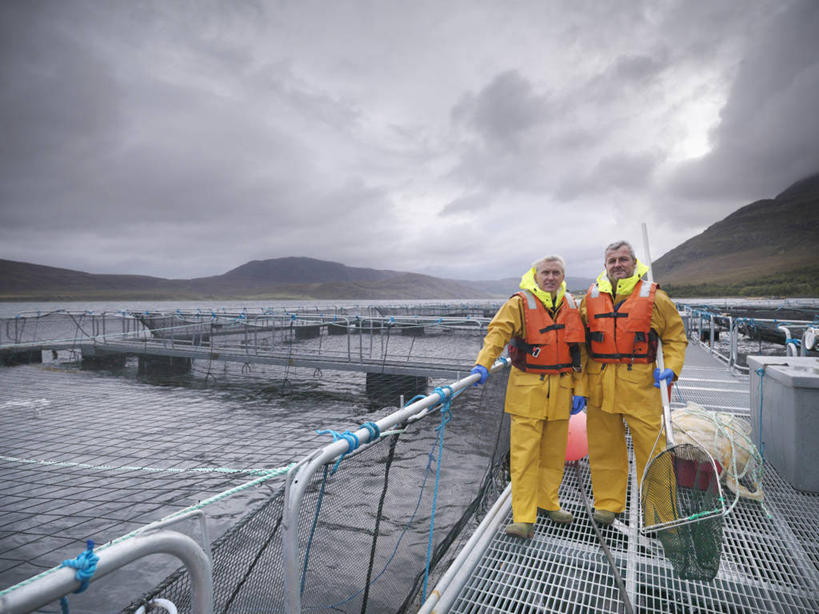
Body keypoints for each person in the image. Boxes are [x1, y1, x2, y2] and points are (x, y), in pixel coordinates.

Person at [470, 256, 587, 538]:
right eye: (545, 272)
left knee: (554, 455)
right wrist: (483, 363)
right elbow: (497, 333)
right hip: (527, 392)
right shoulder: (518, 303)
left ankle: (549, 503)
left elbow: (580, 353)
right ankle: (524, 517)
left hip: (561, 391)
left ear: (562, 276)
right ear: (535, 275)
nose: (550, 277)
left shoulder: (571, 304)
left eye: (556, 272)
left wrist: (580, 390)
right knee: (523, 457)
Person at [580, 240, 687, 526]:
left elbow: (675, 338)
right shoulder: (589, 298)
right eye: (612, 261)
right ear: (605, 266)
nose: (618, 265)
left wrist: (672, 369)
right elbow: (578, 343)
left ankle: (659, 514)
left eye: (623, 259)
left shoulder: (655, 298)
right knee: (604, 449)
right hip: (599, 385)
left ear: (634, 263)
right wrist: (579, 387)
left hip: (641, 386)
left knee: (654, 450)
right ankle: (607, 503)